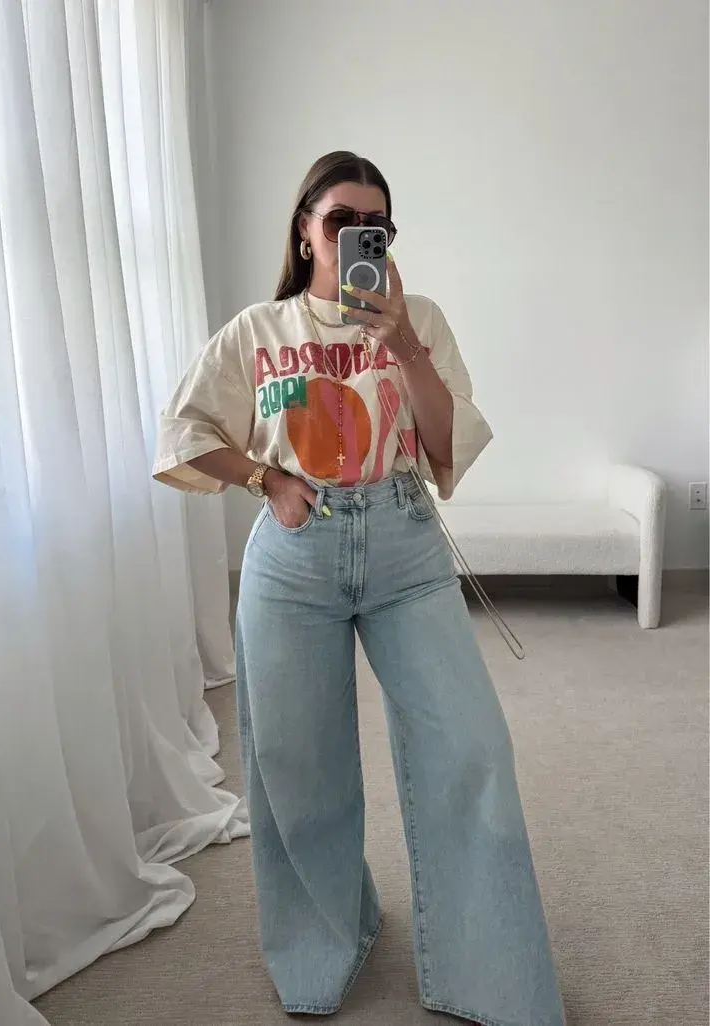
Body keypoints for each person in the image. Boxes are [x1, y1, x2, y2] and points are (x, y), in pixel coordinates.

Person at [153, 151, 566, 1026]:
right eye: (339, 219)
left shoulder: (419, 320)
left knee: (473, 749)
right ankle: (323, 942)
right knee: (296, 764)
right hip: (294, 555)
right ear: (305, 230)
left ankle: (487, 974)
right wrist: (265, 478)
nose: (355, 236)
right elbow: (185, 431)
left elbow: (445, 444)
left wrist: (403, 343)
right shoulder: (258, 330)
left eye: (374, 225)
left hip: (406, 548)